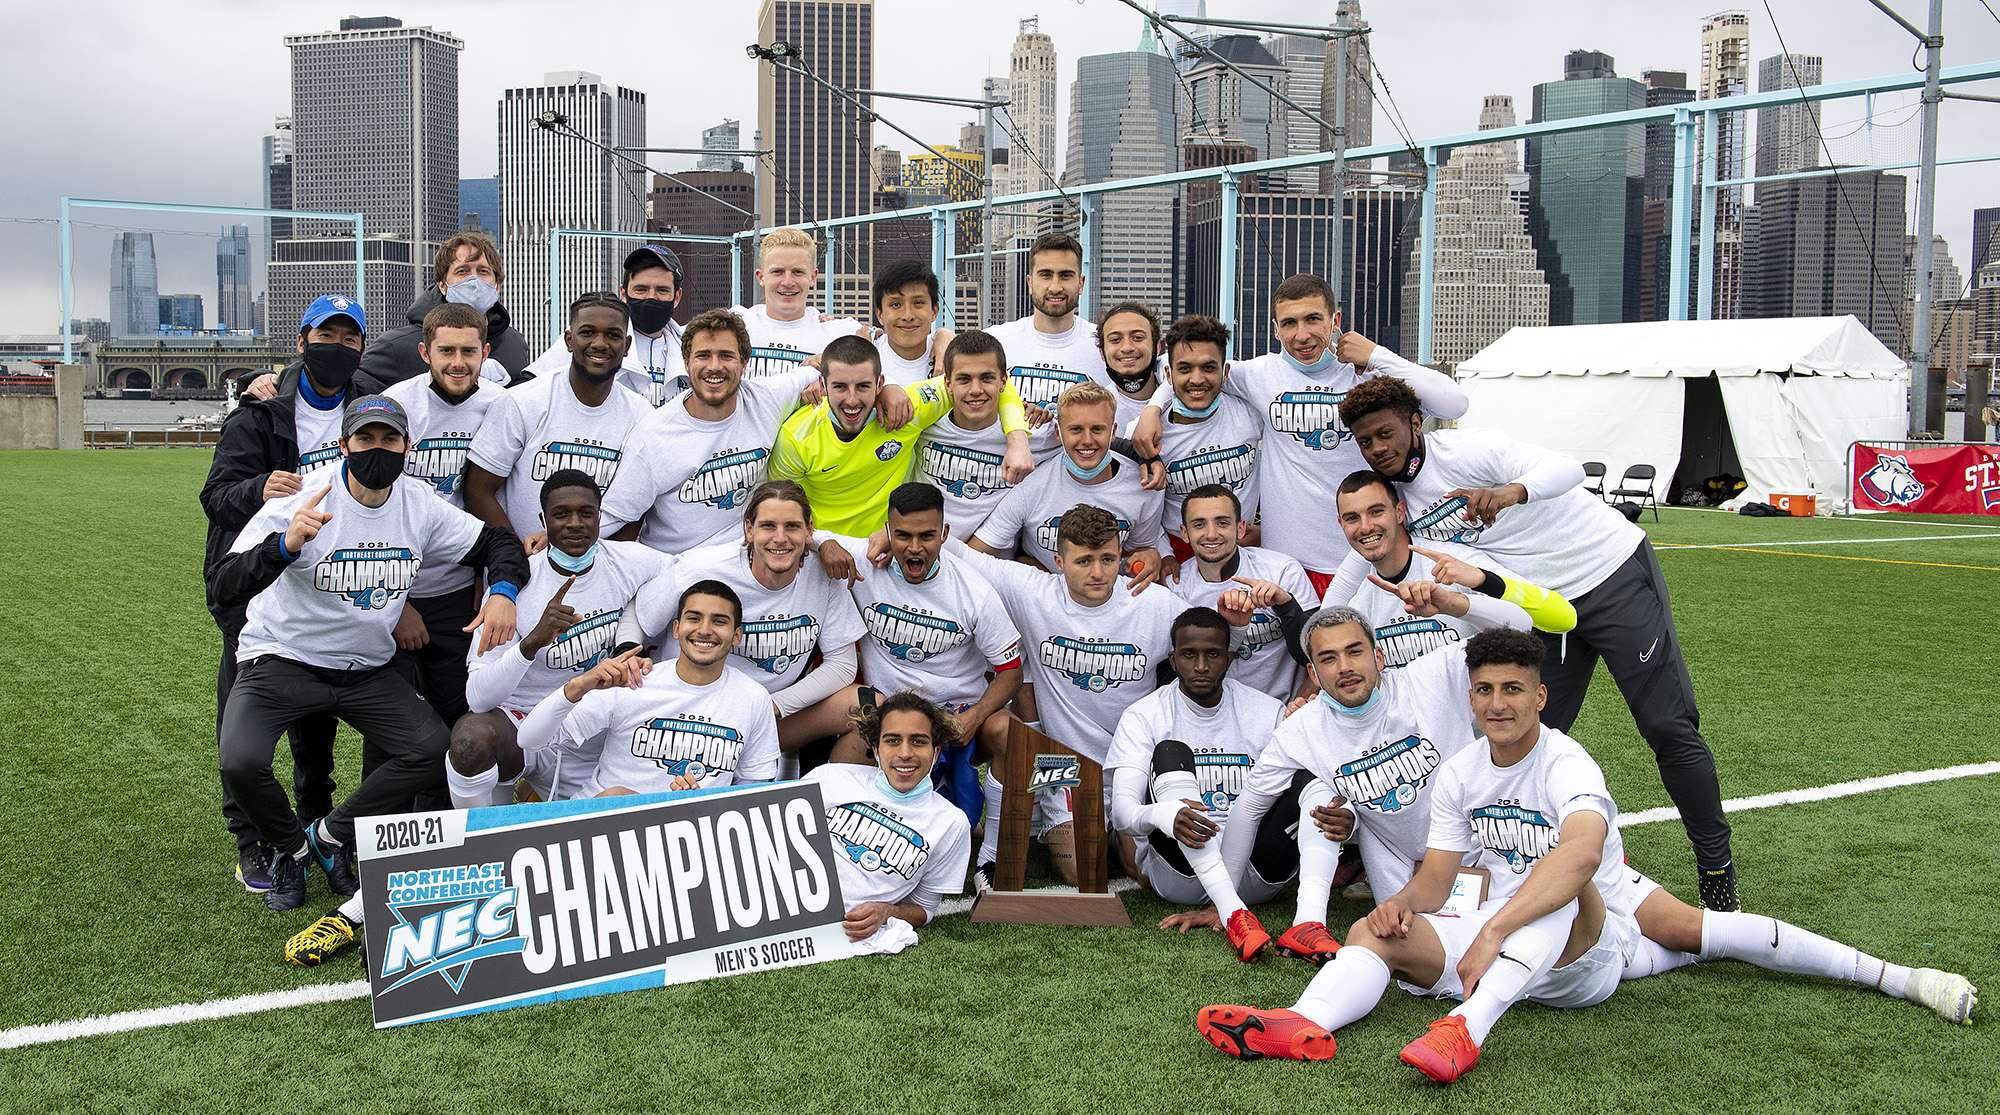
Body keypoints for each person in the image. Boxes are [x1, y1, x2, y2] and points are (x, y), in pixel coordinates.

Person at [1334, 375, 1739, 910]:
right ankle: (1492, 867)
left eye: (1386, 434)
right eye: (1365, 441)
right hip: (1541, 607)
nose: (1378, 449)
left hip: (1609, 573)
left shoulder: (1468, 451)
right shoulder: (1392, 499)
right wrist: (1315, 630)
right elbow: (1353, 568)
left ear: (1415, 423)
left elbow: (1568, 469)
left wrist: (1510, 492)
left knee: (1666, 725)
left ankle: (1716, 869)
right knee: (1516, 737)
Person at [1198, 625, 1631, 1078]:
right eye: (1485, 690)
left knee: (1560, 885)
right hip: (1496, 939)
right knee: (1372, 930)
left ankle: (1466, 1028)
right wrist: (1401, 903)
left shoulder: (1567, 762)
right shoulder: (1460, 771)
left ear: (1540, 697)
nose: (1497, 704)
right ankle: (1304, 1019)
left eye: (1512, 690)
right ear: (1471, 700)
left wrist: (1494, 931)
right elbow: (1437, 880)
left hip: (1578, 955)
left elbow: (1583, 856)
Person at [209, 395, 528, 911]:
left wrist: (503, 592)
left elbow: (497, 543)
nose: (377, 449)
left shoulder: (418, 503)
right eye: (365, 438)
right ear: (343, 445)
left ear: (408, 446)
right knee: (240, 761)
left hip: (364, 668)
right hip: (285, 657)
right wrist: (283, 547)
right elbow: (223, 583)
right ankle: (292, 849)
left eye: (389, 439)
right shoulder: (304, 499)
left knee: (433, 749)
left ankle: (329, 836)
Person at [1209, 597, 1527, 977]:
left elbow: (1518, 629)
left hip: (1498, 852)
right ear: (1313, 672)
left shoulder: (1430, 678)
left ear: (1379, 656)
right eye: (1328, 659)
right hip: (1408, 885)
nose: (1345, 667)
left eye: (1355, 651)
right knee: (1449, 969)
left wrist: (1457, 602)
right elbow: (1249, 807)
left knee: (1527, 948)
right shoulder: (1301, 729)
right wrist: (1223, 902)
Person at [1131, 273, 1468, 596]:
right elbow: (1182, 369)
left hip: (1367, 553)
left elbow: (1454, 404)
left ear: (1335, 321)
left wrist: (1376, 354)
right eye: (1290, 323)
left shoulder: (1366, 373)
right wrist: (1152, 409)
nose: (1302, 335)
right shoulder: (1258, 374)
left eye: (1313, 319)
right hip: (1288, 562)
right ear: (1276, 329)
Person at [942, 506, 1194, 887]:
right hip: (1070, 773)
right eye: (1084, 561)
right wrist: (882, 538)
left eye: (1107, 559)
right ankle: (1071, 819)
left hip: (1135, 767)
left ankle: (1124, 831)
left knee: (1143, 872)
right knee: (1084, 872)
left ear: (1120, 555)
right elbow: (961, 554)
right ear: (1059, 563)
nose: (1098, 573)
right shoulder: (1035, 592)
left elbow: (1210, 636)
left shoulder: (1152, 603)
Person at [199, 294, 358, 891]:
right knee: (244, 729)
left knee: (316, 727)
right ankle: (254, 841)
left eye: (348, 338)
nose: (336, 348)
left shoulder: (368, 406)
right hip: (257, 591)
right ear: (302, 341)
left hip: (327, 591)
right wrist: (260, 488)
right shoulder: (260, 414)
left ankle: (317, 829)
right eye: (326, 336)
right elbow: (216, 499)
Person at [445, 470, 678, 808]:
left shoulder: (630, 561)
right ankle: (484, 832)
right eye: (561, 514)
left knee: (607, 818)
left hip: (590, 727)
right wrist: (531, 643)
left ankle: (538, 796)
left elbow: (678, 579)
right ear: (543, 520)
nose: (575, 523)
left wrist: (628, 640)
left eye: (586, 513)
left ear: (600, 516)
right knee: (471, 742)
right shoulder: (516, 582)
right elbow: (478, 698)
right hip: (520, 723)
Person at [604, 309, 897, 555]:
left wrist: (888, 391)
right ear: (686, 363)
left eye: (726, 356)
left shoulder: (766, 398)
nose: (714, 367)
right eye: (703, 355)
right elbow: (614, 518)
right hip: (677, 570)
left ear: (745, 363)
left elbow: (836, 366)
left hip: (748, 563)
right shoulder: (654, 435)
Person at [818, 483, 1025, 827]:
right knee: (845, 758)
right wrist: (825, 544)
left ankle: (993, 846)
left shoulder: (974, 591)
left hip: (956, 717)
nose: (914, 548)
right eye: (903, 535)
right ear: (886, 532)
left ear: (944, 533)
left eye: (926, 536)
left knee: (1008, 730)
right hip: (890, 712)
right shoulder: (866, 562)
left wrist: (975, 716)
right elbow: (805, 534)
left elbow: (1011, 670)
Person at [1108, 606, 1298, 961]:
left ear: (1229, 658)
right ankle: (1233, 913)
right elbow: (1122, 813)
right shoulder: (1144, 715)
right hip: (1182, 874)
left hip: (1255, 874)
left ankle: (1308, 923)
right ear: (1173, 659)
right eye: (1188, 655)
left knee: (1305, 770)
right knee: (1170, 751)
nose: (1200, 666)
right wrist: (1164, 815)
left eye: (1212, 654)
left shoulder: (1265, 710)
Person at [644, 481, 866, 761]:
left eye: (792, 526)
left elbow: (842, 665)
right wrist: (625, 652)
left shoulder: (823, 571)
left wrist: (772, 705)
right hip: (685, 714)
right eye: (768, 526)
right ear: (749, 530)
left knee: (867, 707)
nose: (780, 538)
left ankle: (825, 788)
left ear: (809, 530)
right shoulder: (704, 567)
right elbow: (641, 617)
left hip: (766, 715)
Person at [518, 580, 779, 796]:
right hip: (602, 819)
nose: (704, 630)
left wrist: (699, 804)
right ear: (676, 628)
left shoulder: (752, 698)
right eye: (694, 618)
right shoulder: (634, 680)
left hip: (687, 830)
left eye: (719, 621)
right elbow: (528, 739)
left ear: (736, 635)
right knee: (616, 796)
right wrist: (576, 687)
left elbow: (753, 792)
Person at [379, 302, 505, 735]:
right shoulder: (396, 405)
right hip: (393, 584)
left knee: (457, 712)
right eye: (446, 351)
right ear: (424, 352)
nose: (458, 363)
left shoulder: (501, 405)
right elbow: (374, 502)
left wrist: (487, 573)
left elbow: (501, 494)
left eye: (468, 351)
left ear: (485, 353)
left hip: (457, 587)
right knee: (393, 727)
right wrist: (398, 603)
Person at [771, 334, 1034, 536]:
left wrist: (1018, 440)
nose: (852, 400)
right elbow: (781, 509)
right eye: (840, 387)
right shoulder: (796, 436)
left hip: (887, 550)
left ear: (880, 384)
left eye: (863, 386)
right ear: (823, 384)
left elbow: (996, 382)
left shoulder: (904, 410)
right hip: (822, 551)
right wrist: (821, 543)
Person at [1328, 470, 1572, 669]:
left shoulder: (1455, 565)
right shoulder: (1359, 605)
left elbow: (1562, 617)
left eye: (1376, 512)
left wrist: (1477, 585)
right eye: (1352, 518)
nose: (1366, 527)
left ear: (1399, 512)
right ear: (1341, 524)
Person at [465, 293, 650, 551]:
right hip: (523, 564)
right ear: (569, 340)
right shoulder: (522, 401)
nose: (600, 343)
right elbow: (477, 490)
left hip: (598, 566)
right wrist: (514, 556)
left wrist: (605, 562)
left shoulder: (642, 415)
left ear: (627, 345)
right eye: (587, 333)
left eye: (613, 335)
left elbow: (635, 507)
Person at [808, 691, 974, 951]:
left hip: (846, 934)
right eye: (893, 741)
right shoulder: (828, 778)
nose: (905, 753)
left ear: (935, 752)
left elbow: (924, 909)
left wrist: (887, 912)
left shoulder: (951, 823)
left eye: (918, 742)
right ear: (876, 750)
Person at [972, 381, 1168, 588]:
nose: (1087, 440)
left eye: (1097, 429)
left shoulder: (1144, 486)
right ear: (1058, 432)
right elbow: (977, 552)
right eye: (1076, 429)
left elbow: (1139, 550)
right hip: (1040, 591)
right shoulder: (1031, 485)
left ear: (1113, 432)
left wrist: (1150, 556)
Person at [1169, 485, 1318, 702]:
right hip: (1212, 712)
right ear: (1184, 533)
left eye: (1222, 523)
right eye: (1199, 524)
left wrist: (1286, 606)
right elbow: (1172, 670)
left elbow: (1314, 655)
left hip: (1285, 709)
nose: (1211, 534)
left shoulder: (1282, 570)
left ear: (1240, 528)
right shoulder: (1174, 587)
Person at [913, 329, 1063, 537]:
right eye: (964, 379)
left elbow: (1085, 443)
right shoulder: (924, 426)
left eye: (986, 378)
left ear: (1003, 382)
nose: (975, 390)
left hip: (992, 553)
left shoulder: (1038, 433)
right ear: (948, 384)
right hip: (922, 549)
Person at [357, 233, 530, 391]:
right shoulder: (396, 346)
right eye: (462, 271)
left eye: (483, 271)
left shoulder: (514, 344)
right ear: (442, 285)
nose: (474, 280)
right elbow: (358, 393)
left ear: (497, 284)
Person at [525, 245, 691, 408]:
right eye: (641, 290)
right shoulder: (588, 338)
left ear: (676, 297)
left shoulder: (689, 346)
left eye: (662, 290)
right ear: (623, 293)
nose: (651, 298)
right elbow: (528, 385)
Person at [1149, 315, 1262, 548]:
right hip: (1180, 553)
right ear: (1169, 375)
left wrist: (1268, 532)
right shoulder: (1148, 433)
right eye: (1185, 369)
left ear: (1225, 371)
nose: (1197, 379)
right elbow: (1140, 510)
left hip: (1244, 548)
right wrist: (1165, 554)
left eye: (1209, 368)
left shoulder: (1251, 413)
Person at [984, 232, 1115, 409]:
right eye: (1046, 275)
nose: (1055, 287)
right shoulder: (994, 341)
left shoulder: (1108, 345)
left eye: (1066, 276)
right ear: (1030, 283)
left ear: (1081, 283)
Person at [730, 227, 867, 377]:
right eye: (777, 272)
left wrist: (873, 337)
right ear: (761, 277)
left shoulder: (841, 333)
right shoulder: (734, 324)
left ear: (812, 277)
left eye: (798, 272)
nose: (788, 282)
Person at [872, 259, 955, 387]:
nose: (908, 316)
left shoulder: (952, 357)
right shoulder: (864, 356)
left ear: (934, 311)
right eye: (895, 304)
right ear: (880, 314)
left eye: (918, 303)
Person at [1097, 301, 1163, 429]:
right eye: (1115, 340)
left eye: (1137, 337)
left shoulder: (1182, 400)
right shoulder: (1093, 411)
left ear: (1157, 346)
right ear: (1102, 352)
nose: (1127, 348)